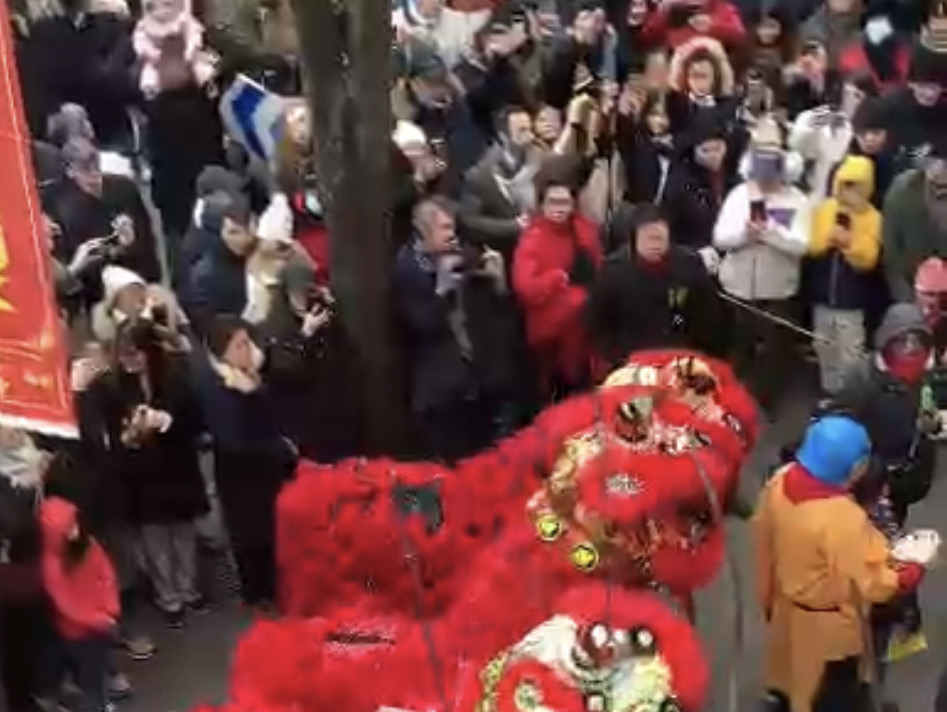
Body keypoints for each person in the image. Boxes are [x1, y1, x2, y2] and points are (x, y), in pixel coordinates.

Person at [752, 415, 929, 712]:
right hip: (828, 629)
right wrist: (908, 573)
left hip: (787, 611)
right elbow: (872, 582)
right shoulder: (842, 518)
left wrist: (768, 599)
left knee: (791, 676)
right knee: (831, 694)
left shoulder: (779, 482)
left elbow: (763, 544)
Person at [96, 320, 209, 627]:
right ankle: (168, 596)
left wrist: (165, 421)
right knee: (155, 538)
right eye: (123, 354)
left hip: (177, 466)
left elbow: (196, 421)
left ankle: (189, 588)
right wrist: (128, 437)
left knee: (183, 532)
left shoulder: (175, 377)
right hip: (142, 476)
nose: (129, 361)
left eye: (135, 353)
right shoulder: (112, 387)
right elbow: (110, 433)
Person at [394, 197, 520, 460]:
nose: (452, 236)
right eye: (444, 229)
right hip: (440, 394)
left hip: (479, 385)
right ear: (422, 233)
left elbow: (498, 321)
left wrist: (499, 285)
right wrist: (440, 291)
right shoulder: (407, 270)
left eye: (453, 228)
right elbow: (419, 327)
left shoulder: (467, 257)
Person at [194, 315, 295, 608]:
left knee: (272, 527)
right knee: (248, 533)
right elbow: (232, 434)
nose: (247, 350)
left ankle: (274, 584)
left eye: (247, 342)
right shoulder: (216, 384)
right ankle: (255, 591)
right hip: (240, 470)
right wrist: (250, 398)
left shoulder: (255, 374)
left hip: (267, 465)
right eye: (239, 345)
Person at [713, 118, 810, 414]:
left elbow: (802, 245)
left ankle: (766, 401)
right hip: (738, 288)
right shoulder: (739, 195)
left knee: (775, 351)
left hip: (777, 290)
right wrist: (745, 235)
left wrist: (771, 235)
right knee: (738, 347)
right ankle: (729, 399)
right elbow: (720, 238)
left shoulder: (796, 200)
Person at [833, 303, 940, 524]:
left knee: (894, 523)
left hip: (905, 474)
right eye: (903, 339)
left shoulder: (924, 374)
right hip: (868, 479)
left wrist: (930, 425)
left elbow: (928, 408)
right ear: (887, 340)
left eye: (917, 339)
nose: (911, 347)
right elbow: (841, 430)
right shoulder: (861, 378)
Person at [585, 204, 721, 371]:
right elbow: (597, 322)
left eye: (660, 238)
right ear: (635, 238)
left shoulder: (690, 265)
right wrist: (617, 359)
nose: (655, 245)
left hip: (680, 355)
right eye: (650, 239)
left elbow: (707, 315)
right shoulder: (613, 271)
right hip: (630, 358)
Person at [512, 163, 602, 398]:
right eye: (553, 202)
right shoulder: (533, 238)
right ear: (541, 204)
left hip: (587, 332)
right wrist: (558, 278)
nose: (559, 209)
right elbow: (525, 288)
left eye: (565, 203)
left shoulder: (585, 231)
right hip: (551, 340)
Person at [807, 155, 881, 394]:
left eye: (857, 185)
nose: (850, 191)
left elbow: (869, 259)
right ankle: (829, 395)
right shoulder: (825, 209)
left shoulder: (873, 218)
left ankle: (851, 399)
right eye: (846, 184)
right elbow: (812, 246)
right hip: (823, 299)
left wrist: (850, 244)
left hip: (852, 303)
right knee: (824, 349)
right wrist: (830, 237)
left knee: (850, 356)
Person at [38, 497, 119, 712]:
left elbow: (106, 571)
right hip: (78, 633)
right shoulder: (51, 566)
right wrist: (101, 618)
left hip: (97, 623)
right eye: (68, 526)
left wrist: (109, 608)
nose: (74, 529)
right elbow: (67, 606)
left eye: (74, 522)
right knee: (91, 678)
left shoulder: (87, 543)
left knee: (97, 671)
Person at [882, 139, 947, 302]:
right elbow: (892, 252)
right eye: (932, 159)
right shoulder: (901, 189)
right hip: (910, 290)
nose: (937, 166)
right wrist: (907, 301)